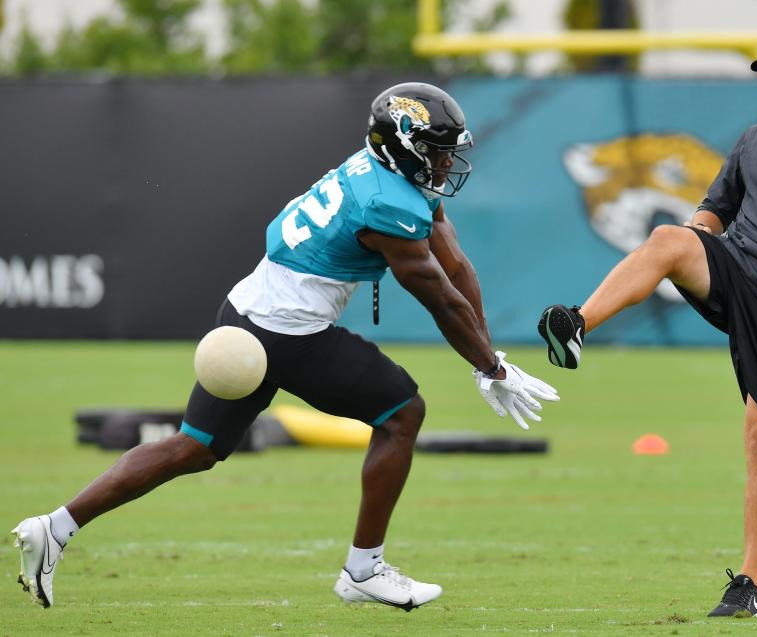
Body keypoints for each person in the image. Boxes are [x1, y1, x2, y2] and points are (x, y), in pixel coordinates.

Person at [12, 82, 558, 612]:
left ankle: (53, 528)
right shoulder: (388, 203)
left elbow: (455, 264)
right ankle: (363, 570)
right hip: (287, 333)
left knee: (194, 447)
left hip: (244, 314)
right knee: (401, 412)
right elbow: (440, 297)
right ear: (404, 146)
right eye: (436, 152)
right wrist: (490, 367)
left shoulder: (382, 169)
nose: (445, 164)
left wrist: (492, 358)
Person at [538, 28, 757, 617]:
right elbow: (716, 208)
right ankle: (576, 325)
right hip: (742, 273)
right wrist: (694, 244)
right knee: (667, 237)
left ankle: (750, 588)